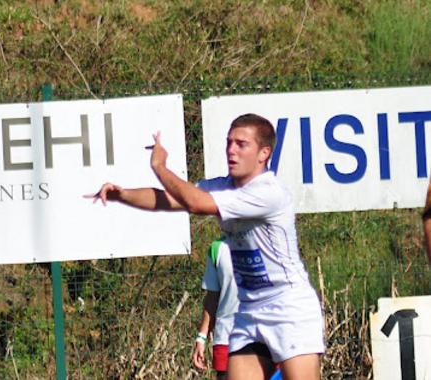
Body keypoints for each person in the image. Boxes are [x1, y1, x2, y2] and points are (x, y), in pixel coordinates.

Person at [87, 113, 324, 380]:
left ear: (263, 153)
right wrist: (122, 195)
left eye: (241, 144)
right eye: (229, 142)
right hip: (249, 310)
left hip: (289, 308)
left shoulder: (268, 192)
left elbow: (195, 203)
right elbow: (169, 199)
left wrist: (160, 166)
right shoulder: (223, 187)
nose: (231, 150)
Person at [192, 239, 238, 380]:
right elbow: (212, 298)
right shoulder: (216, 248)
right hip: (226, 339)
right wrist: (201, 337)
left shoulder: (267, 239)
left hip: (264, 339)